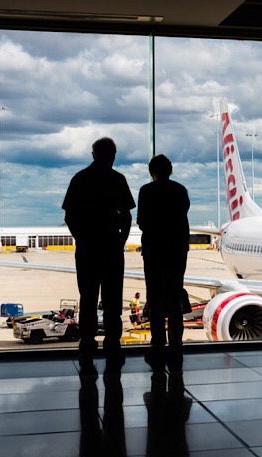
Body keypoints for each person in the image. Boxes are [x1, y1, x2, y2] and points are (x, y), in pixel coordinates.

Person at [62, 137, 135, 370]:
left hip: (87, 250)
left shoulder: (80, 179)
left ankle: (87, 342)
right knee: (113, 300)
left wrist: (82, 238)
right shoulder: (117, 180)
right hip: (111, 249)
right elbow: (127, 216)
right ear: (113, 155)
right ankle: (113, 342)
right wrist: (120, 241)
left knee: (88, 298)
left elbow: (69, 216)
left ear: (93, 155)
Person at [137, 154, 190, 372]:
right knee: (175, 300)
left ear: (152, 172)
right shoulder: (180, 190)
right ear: (171, 170)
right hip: (176, 251)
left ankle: (157, 346)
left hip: (155, 252)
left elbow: (141, 221)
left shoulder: (146, 191)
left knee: (155, 300)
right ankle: (176, 346)